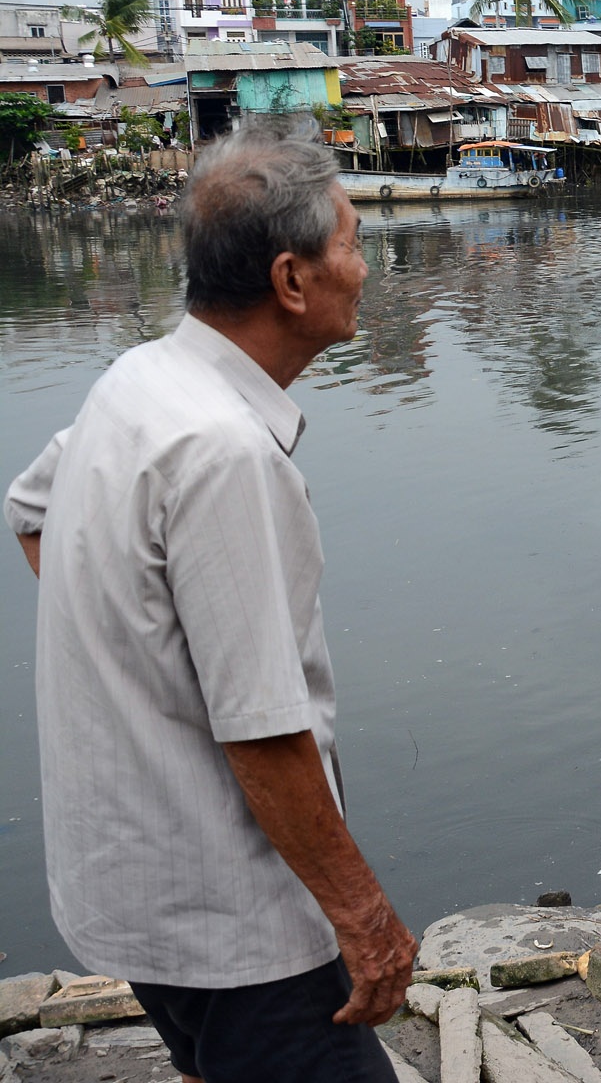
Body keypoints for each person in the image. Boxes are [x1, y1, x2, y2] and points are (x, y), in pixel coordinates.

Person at [6, 117, 416, 1083]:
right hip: (238, 923)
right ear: (290, 279)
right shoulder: (223, 453)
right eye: (352, 242)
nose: (365, 266)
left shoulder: (139, 380)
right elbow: (263, 729)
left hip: (132, 878)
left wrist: (135, 664)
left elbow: (31, 512)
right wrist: (364, 918)